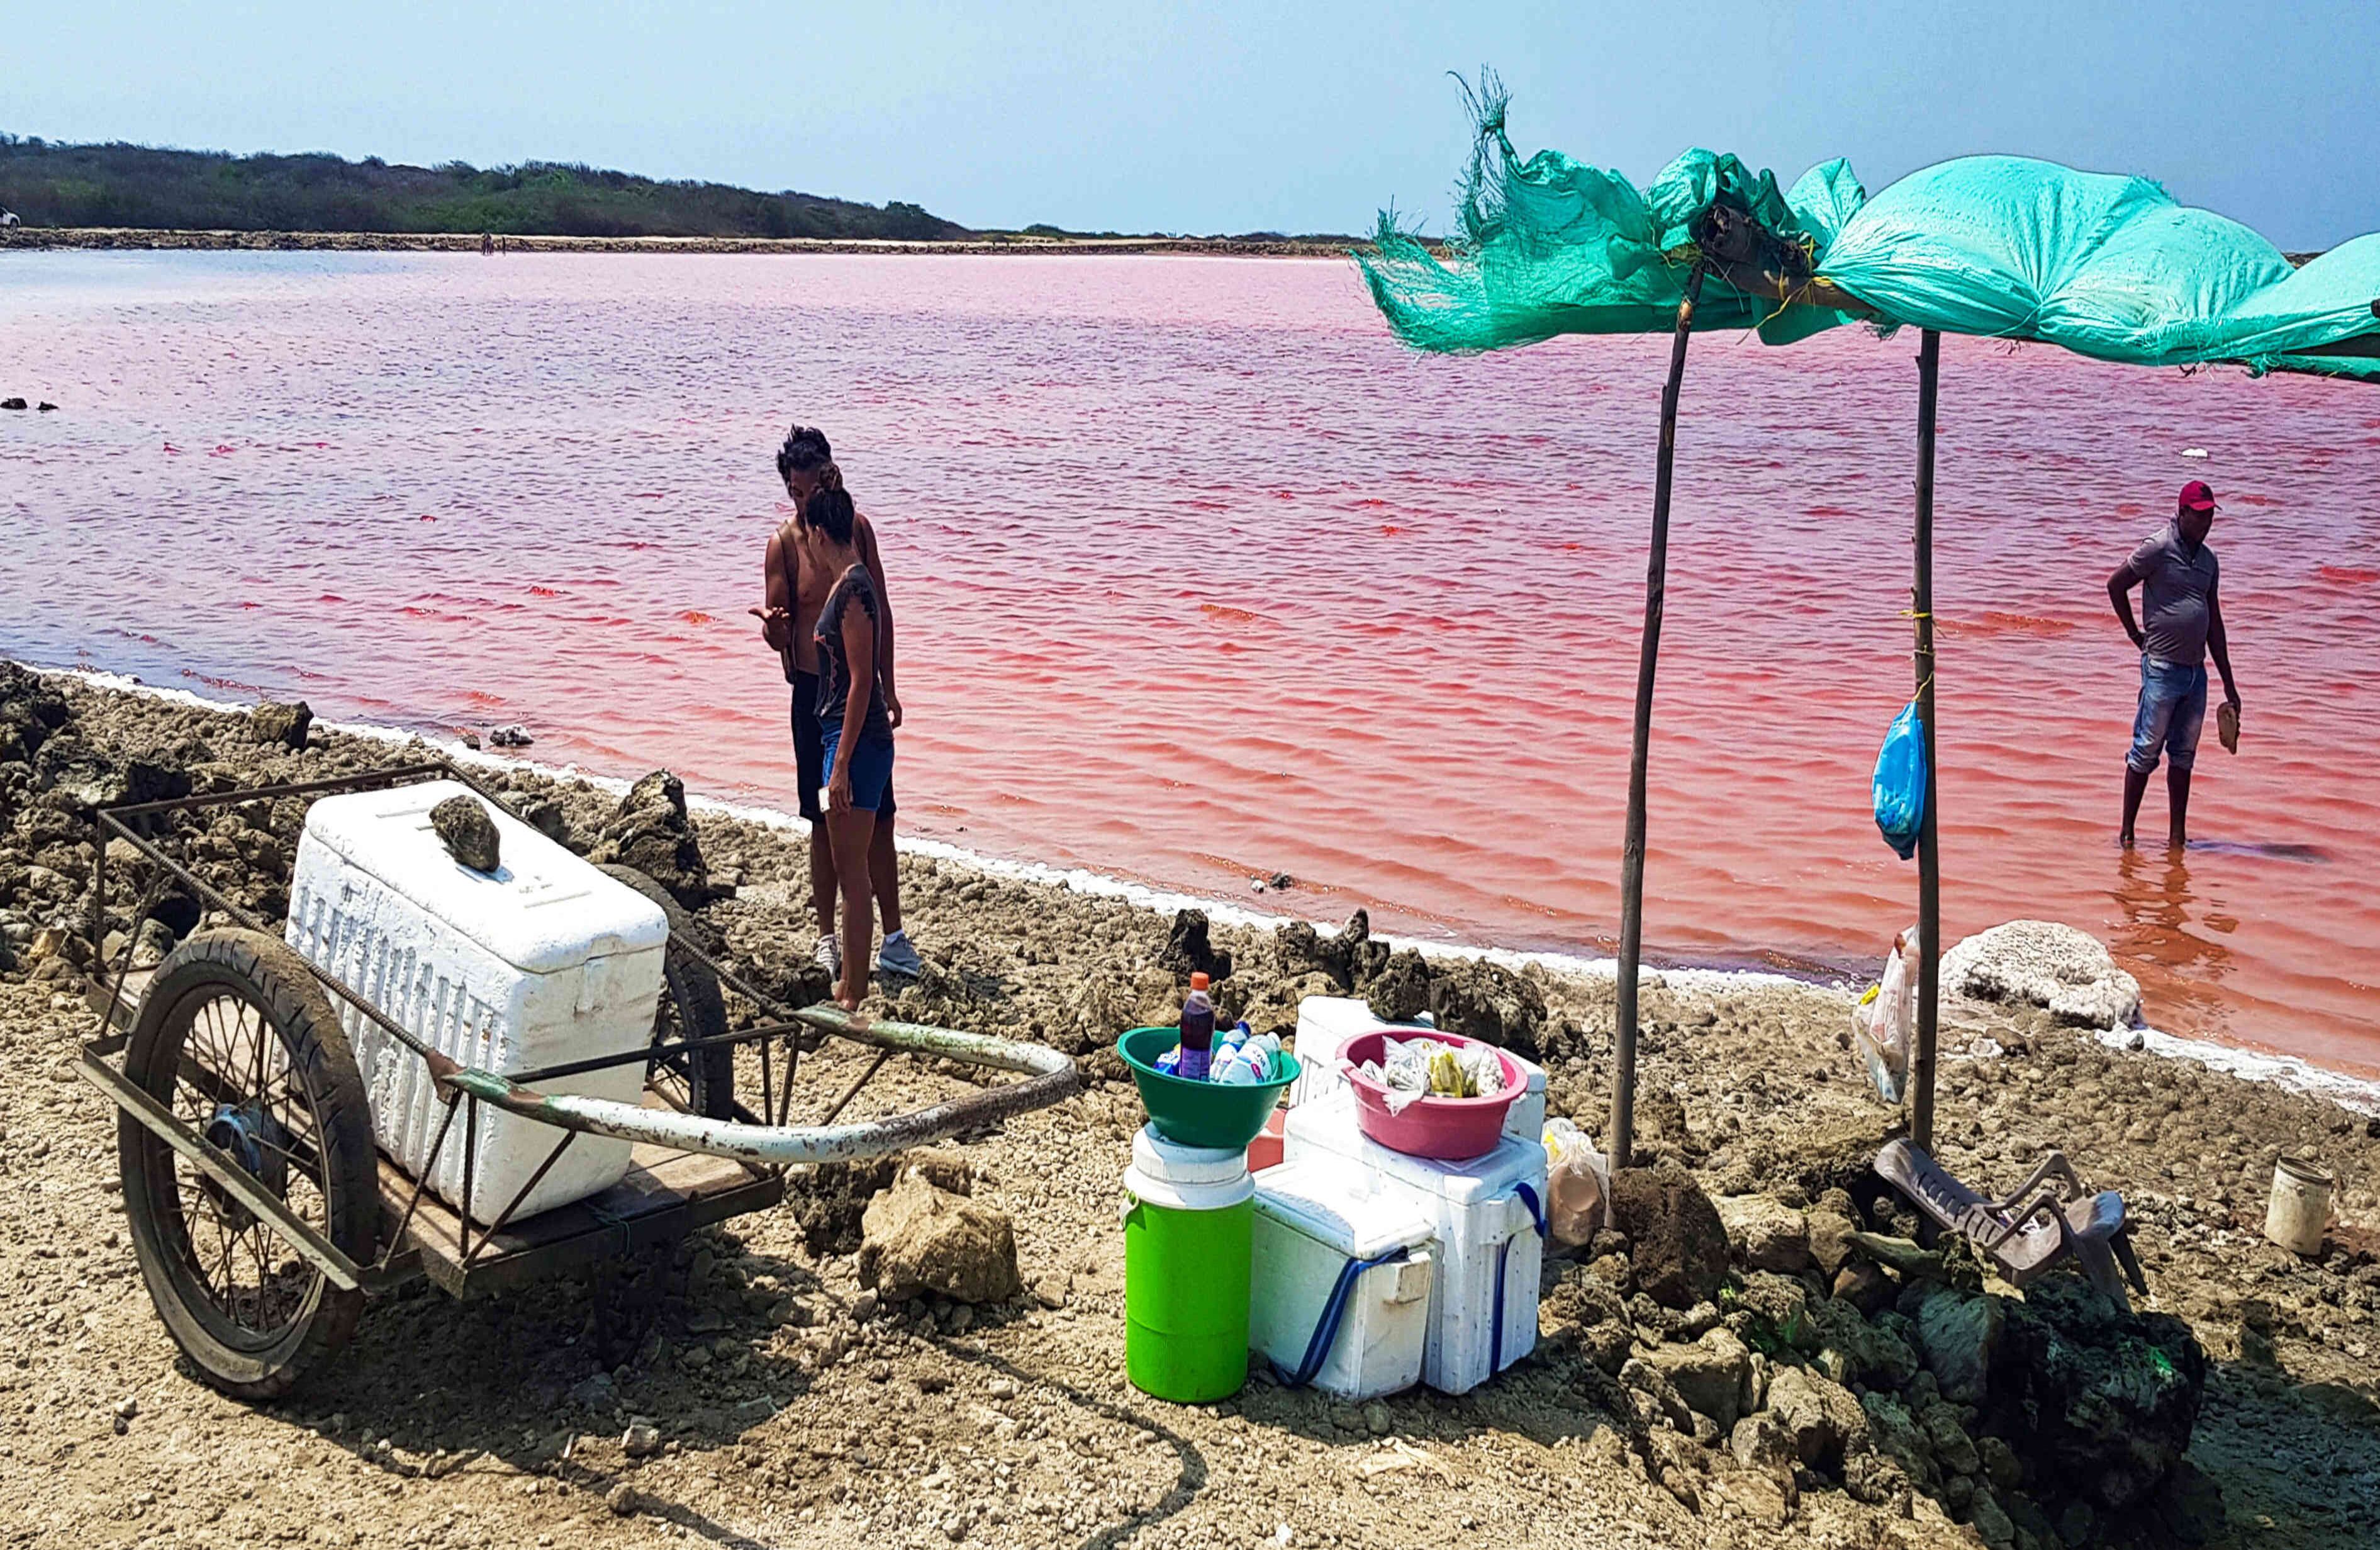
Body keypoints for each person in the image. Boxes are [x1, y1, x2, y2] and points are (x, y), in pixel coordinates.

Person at [752, 428, 921, 982]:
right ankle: (827, 938)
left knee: (880, 818)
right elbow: (780, 632)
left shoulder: (857, 531)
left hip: (860, 692)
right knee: (823, 822)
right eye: (797, 491)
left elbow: (882, 611)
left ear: (834, 474)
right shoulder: (784, 544)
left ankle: (893, 935)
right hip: (812, 696)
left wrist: (888, 683)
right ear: (787, 490)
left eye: (816, 484)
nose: (807, 499)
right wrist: (775, 633)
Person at [795, 480, 896, 1009]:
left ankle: (854, 992)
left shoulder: (854, 590)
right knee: (849, 864)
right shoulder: (849, 583)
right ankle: (847, 984)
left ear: (818, 533)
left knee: (852, 873)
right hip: (845, 735)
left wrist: (840, 768)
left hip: (854, 739)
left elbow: (861, 681)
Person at [2107, 479, 2241, 849]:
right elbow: (2116, 585)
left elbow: (2214, 622)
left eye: (2210, 515)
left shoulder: (2209, 562)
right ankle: (2127, 836)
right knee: (2146, 750)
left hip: (2196, 675)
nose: (2206, 522)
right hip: (2162, 669)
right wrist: (2135, 635)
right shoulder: (2158, 548)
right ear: (2182, 513)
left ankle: (2177, 840)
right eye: (2199, 515)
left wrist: (2229, 683)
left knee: (2183, 757)